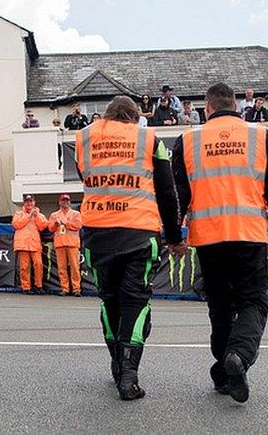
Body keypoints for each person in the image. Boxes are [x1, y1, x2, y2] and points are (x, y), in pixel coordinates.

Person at [172, 82, 268, 404]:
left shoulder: (188, 140)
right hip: (249, 234)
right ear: (236, 106)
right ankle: (238, 356)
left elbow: (178, 197)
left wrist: (173, 236)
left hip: (208, 237)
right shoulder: (260, 136)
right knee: (253, 302)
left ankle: (225, 372)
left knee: (220, 306)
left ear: (206, 108)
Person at [76, 96, 183, 401]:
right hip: (139, 231)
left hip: (97, 232)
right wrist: (175, 238)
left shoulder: (84, 137)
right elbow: (166, 191)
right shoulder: (149, 139)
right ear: (136, 118)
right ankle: (129, 376)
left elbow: (87, 178)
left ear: (108, 115)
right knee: (136, 302)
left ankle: (115, 365)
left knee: (109, 300)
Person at [48, 194, 83, 296]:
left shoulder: (76, 214)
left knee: (75, 267)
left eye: (67, 200)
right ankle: (65, 289)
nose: (65, 202)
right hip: (60, 244)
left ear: (70, 202)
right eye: (63, 200)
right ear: (59, 202)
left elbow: (78, 225)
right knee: (62, 268)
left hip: (72, 243)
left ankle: (76, 289)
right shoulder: (54, 215)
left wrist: (65, 223)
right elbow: (50, 228)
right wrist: (55, 224)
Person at [12, 194, 47, 295]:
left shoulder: (39, 214)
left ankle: (38, 286)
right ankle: (26, 287)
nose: (29, 203)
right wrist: (29, 215)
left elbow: (43, 226)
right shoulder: (19, 213)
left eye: (31, 201)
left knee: (38, 265)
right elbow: (16, 224)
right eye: (27, 201)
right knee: (24, 267)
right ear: (24, 203)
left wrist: (36, 216)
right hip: (23, 244)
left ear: (34, 202)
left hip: (34, 244)